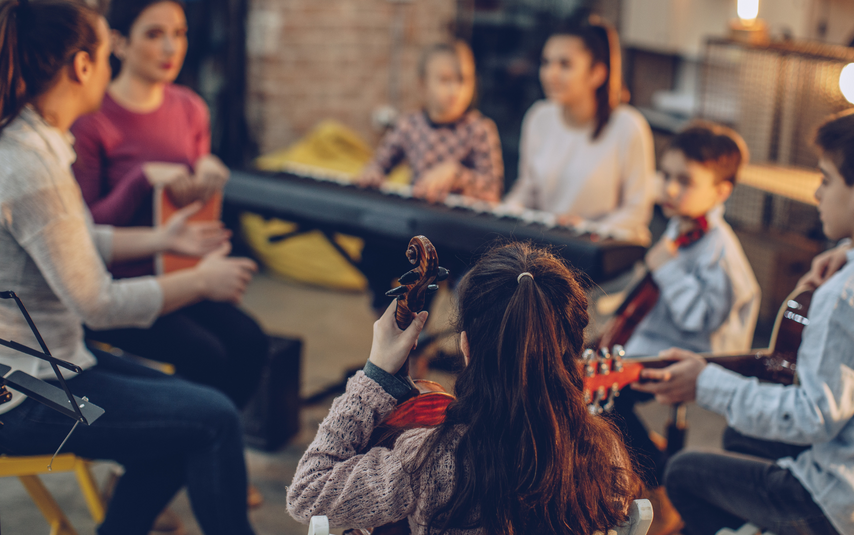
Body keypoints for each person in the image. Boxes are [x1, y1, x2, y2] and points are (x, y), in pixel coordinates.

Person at [0, 1, 258, 534]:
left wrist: (162, 237)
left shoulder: (27, 142)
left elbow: (68, 238)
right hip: (28, 391)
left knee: (190, 419)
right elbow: (99, 303)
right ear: (81, 66)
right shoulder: (34, 165)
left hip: (45, 363)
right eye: (103, 49)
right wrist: (200, 279)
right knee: (213, 420)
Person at [637, 108, 854, 535]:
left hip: (840, 507)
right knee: (739, 440)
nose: (817, 194)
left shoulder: (848, 296)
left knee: (683, 473)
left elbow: (810, 418)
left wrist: (705, 382)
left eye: (824, 180)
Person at [287, 242, 641, 534]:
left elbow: (307, 494)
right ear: (574, 353)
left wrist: (376, 374)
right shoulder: (604, 456)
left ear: (466, 346)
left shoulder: (427, 460)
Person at [71, 0, 267, 411]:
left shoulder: (191, 108)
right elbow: (85, 230)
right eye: (154, 34)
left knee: (251, 342)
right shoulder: (92, 118)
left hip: (184, 273)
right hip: (120, 288)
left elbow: (193, 196)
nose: (170, 48)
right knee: (205, 355)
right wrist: (141, 179)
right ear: (120, 44)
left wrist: (209, 166)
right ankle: (181, 451)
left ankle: (200, 452)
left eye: (179, 34)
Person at [607, 122, 759, 535]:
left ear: (721, 191)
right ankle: (646, 464)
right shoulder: (681, 227)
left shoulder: (720, 251)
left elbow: (699, 318)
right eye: (667, 176)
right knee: (586, 372)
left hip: (696, 357)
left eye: (685, 181)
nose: (670, 189)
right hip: (659, 344)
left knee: (605, 396)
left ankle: (658, 482)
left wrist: (666, 268)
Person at [356, 40, 504, 313]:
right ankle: (391, 313)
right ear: (423, 85)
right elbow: (379, 164)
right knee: (373, 251)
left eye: (463, 80)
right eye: (445, 80)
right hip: (416, 228)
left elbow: (492, 190)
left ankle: (442, 333)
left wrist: (457, 173)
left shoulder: (480, 129)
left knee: (469, 286)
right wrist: (373, 172)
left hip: (459, 234)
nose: (455, 90)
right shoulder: (409, 125)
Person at [503, 17, 654, 245]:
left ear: (597, 74)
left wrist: (584, 230)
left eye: (565, 65)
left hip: (603, 252)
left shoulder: (629, 126)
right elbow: (527, 189)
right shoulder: (538, 117)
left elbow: (636, 212)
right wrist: (505, 212)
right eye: (545, 63)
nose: (550, 74)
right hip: (547, 247)